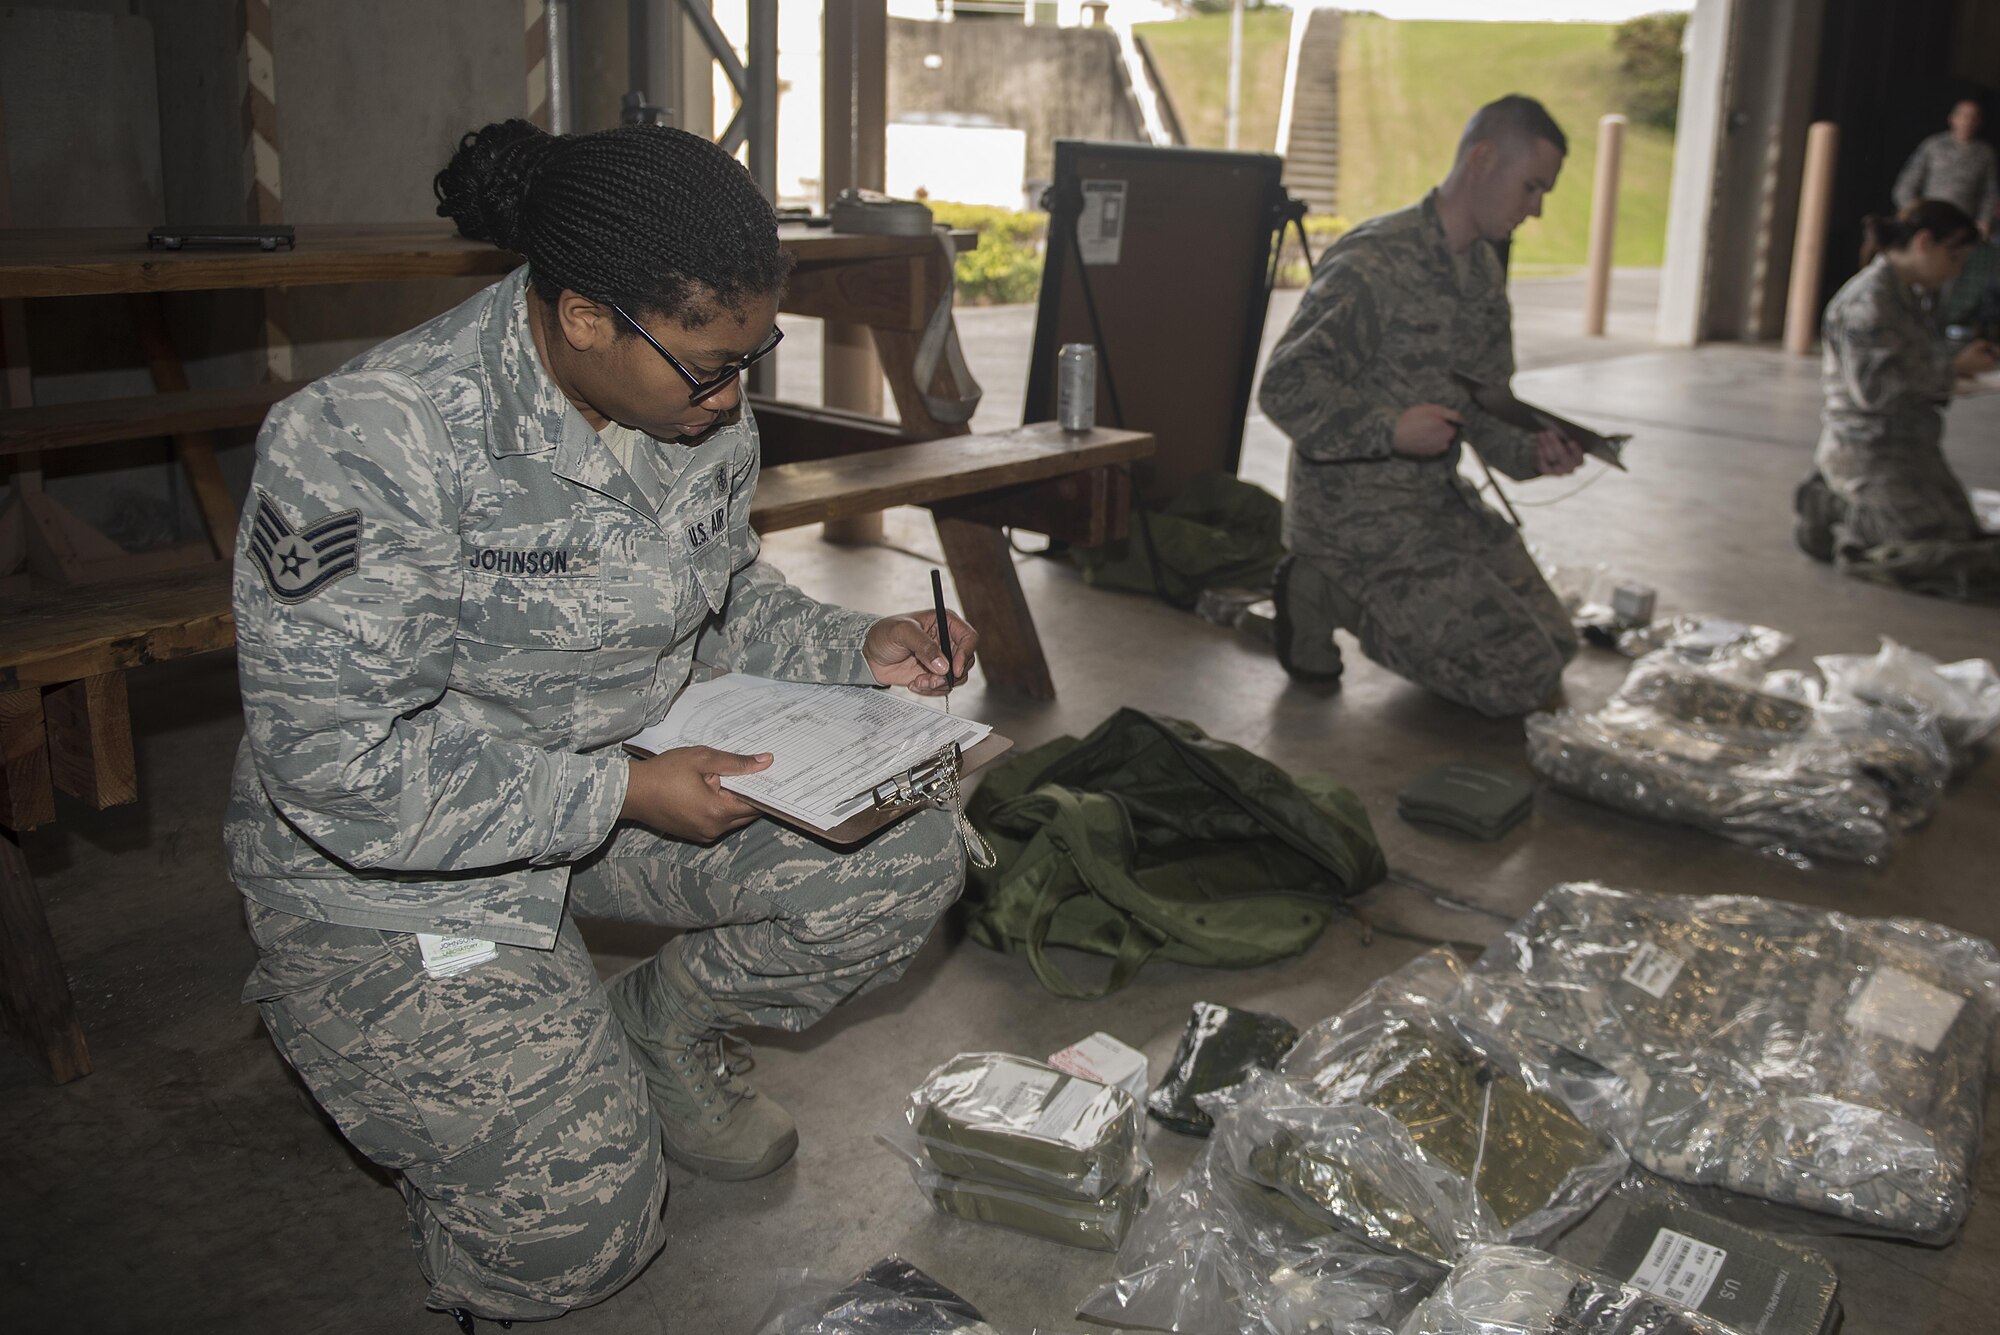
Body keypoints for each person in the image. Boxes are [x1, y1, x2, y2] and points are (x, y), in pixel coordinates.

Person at [225, 120, 978, 1323]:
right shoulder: (370, 441)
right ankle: (448, 1065)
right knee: (577, 1238)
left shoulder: (692, 406)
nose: (732, 397)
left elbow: (718, 600)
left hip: (622, 785)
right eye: (706, 365)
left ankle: (654, 1031)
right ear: (582, 318)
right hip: (398, 874)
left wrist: (858, 649)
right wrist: (621, 794)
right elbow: (335, 768)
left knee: (904, 852)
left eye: (752, 356)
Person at [1259, 94, 1587, 718]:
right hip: (1356, 524)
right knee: (1518, 682)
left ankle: (1362, 597)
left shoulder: (1483, 275)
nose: (1537, 208)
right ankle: (1327, 589)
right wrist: (1390, 431)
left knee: (1558, 647)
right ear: (1482, 159)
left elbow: (1486, 407)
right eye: (1531, 187)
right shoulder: (1376, 262)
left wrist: (1535, 451)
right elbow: (1285, 386)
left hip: (1435, 504)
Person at [1794, 199, 2000, 600]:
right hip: (1869, 450)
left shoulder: (1908, 294)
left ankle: (1852, 508)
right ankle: (1840, 511)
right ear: (1924, 242)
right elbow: (1874, 391)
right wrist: (1953, 368)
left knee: (1961, 533)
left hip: (1909, 445)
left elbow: (1912, 360)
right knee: (1943, 558)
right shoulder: (1867, 303)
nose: (1957, 270)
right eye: (1955, 257)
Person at [1892, 99, 1998, 234]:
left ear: (1979, 122)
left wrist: (1984, 221)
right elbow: (1906, 184)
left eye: (1973, 117)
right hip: (1926, 221)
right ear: (1952, 118)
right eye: (1963, 115)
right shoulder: (1932, 145)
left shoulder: (1986, 153)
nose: (1967, 121)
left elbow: (1990, 192)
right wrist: (1912, 212)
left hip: (1962, 225)